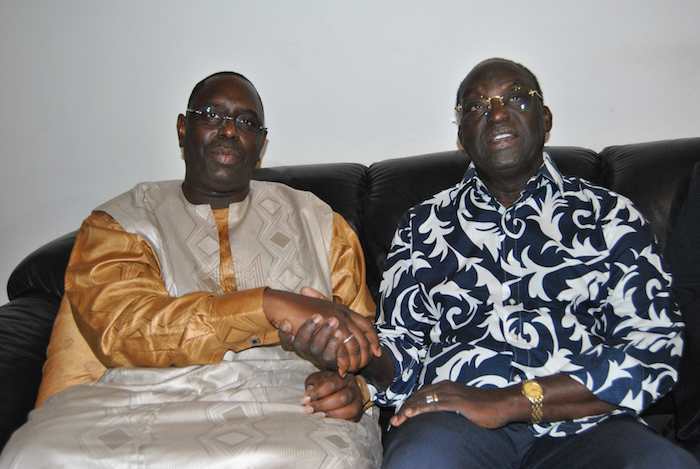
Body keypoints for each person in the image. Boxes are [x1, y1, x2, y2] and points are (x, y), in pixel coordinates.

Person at [296, 58, 698, 468]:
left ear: (545, 118)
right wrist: (355, 348)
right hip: (453, 427)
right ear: (461, 134)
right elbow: (403, 351)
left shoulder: (609, 216)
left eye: (516, 98)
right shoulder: (422, 226)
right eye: (476, 106)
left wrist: (509, 401)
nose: (498, 113)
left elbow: (654, 347)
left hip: (588, 424)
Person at [0, 71, 382, 468]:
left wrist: (351, 387)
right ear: (183, 129)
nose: (229, 131)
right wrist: (267, 305)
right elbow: (127, 329)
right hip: (137, 398)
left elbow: (367, 342)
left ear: (261, 144)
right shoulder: (123, 222)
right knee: (35, 454)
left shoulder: (319, 222)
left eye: (246, 122)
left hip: (285, 401)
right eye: (212, 115)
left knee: (329, 455)